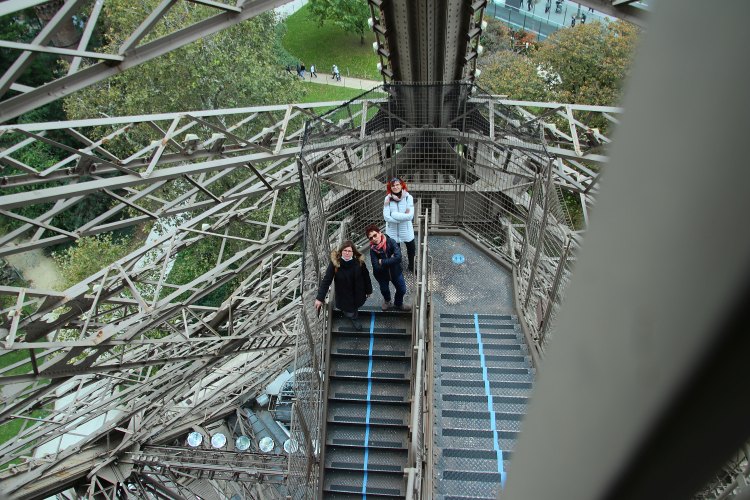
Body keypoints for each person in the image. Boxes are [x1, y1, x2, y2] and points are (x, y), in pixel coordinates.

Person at [314, 241, 372, 330]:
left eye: (349, 251)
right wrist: (320, 298)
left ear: (353, 252)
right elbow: (327, 280)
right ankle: (353, 318)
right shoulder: (335, 264)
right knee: (349, 310)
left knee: (355, 306)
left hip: (357, 292)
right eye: (345, 250)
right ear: (341, 252)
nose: (347, 253)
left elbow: (366, 276)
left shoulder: (359, 262)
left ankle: (353, 314)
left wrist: (368, 290)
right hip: (344, 294)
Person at [365, 224, 411, 312]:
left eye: (375, 235)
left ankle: (398, 304)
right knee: (384, 290)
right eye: (371, 238)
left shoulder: (391, 242)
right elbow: (376, 267)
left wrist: (382, 261)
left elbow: (398, 258)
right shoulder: (372, 250)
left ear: (379, 233)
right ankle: (387, 301)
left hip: (396, 272)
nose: (374, 238)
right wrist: (391, 260)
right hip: (381, 275)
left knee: (402, 289)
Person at [383, 177, 416, 273]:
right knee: (395, 252)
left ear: (402, 185)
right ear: (390, 187)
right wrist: (401, 218)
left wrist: (393, 215)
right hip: (392, 231)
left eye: (397, 184)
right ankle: (397, 267)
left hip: (406, 230)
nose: (395, 187)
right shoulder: (387, 198)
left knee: (411, 249)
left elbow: (410, 216)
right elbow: (386, 217)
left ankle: (412, 266)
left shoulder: (408, 198)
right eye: (393, 185)